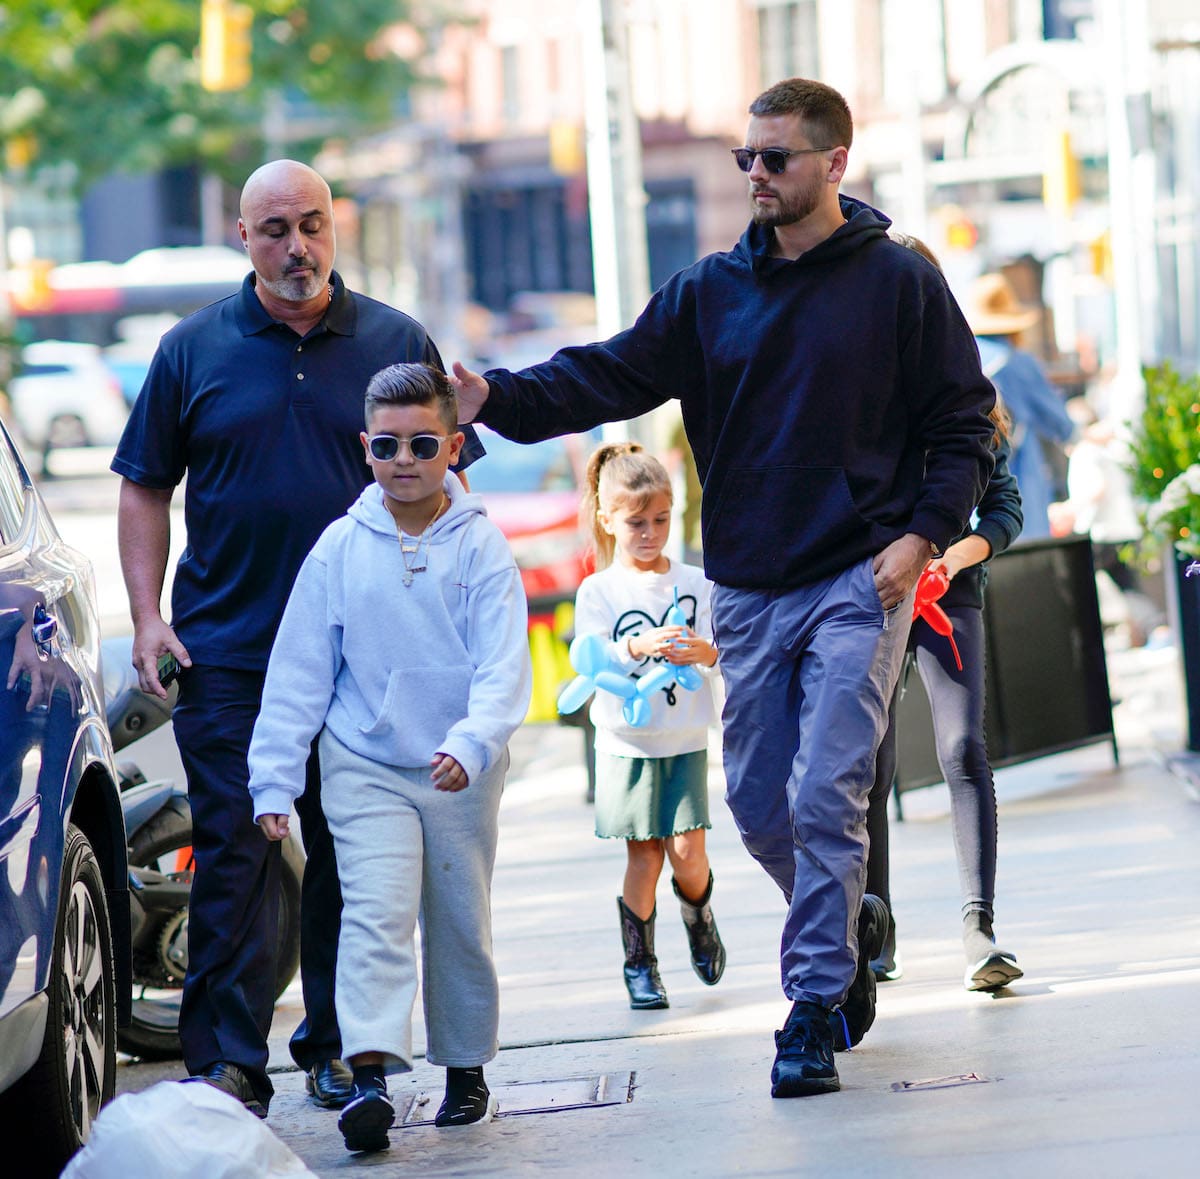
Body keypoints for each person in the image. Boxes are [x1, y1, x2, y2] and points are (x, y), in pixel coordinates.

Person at [451, 77, 996, 1097]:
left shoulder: (896, 283)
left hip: (856, 576)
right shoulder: (710, 290)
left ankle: (812, 1007)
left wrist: (922, 536)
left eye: (775, 158)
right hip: (747, 585)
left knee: (829, 789)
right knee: (754, 806)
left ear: (833, 164)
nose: (755, 173)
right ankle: (845, 919)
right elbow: (607, 374)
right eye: (746, 156)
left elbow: (965, 422)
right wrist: (499, 398)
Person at [111, 159, 484, 1119]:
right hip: (230, 651)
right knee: (237, 847)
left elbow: (454, 493)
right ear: (244, 237)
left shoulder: (398, 342)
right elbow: (145, 485)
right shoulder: (192, 349)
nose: (297, 246)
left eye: (311, 223)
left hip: (370, 664)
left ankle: (332, 1047)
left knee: (346, 852)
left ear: (335, 226)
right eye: (274, 228)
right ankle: (228, 1061)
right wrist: (150, 615)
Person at [247, 363, 530, 1154]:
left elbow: (504, 665)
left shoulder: (481, 548)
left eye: (422, 442)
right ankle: (368, 1073)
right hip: (362, 759)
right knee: (374, 911)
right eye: (386, 443)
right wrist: (273, 775)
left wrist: (471, 743)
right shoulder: (340, 548)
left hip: (458, 769)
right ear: (363, 447)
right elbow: (300, 669)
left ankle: (465, 1067)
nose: (404, 458)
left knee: (457, 918)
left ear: (455, 446)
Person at [866, 233, 1025, 994]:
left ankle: (979, 926)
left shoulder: (970, 389)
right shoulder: (853, 390)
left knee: (962, 747)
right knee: (868, 762)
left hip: (949, 588)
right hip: (870, 594)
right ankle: (873, 926)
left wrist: (963, 552)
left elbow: (1005, 501)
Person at [573, 442, 725, 1010]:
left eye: (660, 519)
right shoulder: (599, 590)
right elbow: (588, 657)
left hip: (683, 737)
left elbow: (720, 652)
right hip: (625, 744)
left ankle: (699, 914)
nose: (649, 532)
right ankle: (640, 963)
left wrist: (701, 653)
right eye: (636, 522)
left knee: (688, 852)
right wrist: (636, 644)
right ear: (607, 519)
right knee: (645, 856)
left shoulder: (696, 581)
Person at [965, 272, 1075, 541]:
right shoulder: (1018, 364)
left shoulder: (963, 361)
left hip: (967, 494)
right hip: (1016, 490)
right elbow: (1061, 425)